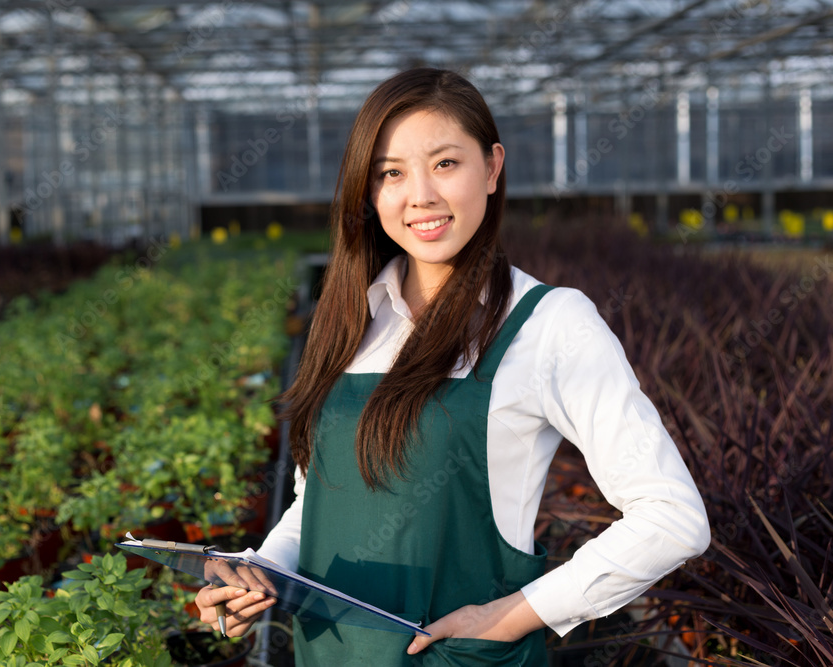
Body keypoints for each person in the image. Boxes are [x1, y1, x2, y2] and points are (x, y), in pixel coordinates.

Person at [194, 67, 710, 665]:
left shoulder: (549, 323)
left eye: (445, 164)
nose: (421, 196)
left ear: (492, 168)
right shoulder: (351, 319)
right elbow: (321, 503)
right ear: (369, 191)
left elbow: (673, 517)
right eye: (391, 173)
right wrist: (259, 572)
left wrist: (511, 616)